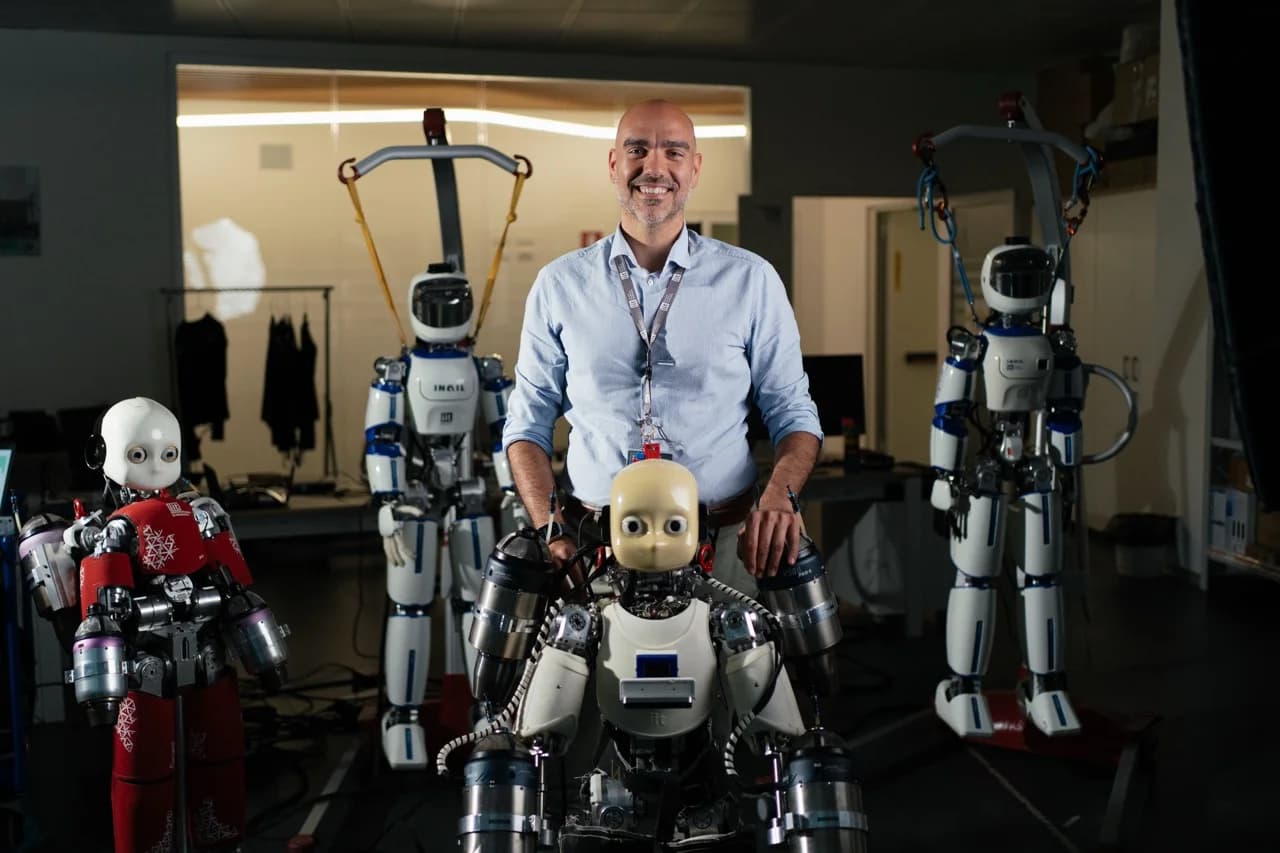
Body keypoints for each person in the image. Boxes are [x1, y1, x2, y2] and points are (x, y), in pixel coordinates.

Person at [502, 99, 821, 595]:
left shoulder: (751, 280)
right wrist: (551, 525)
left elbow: (794, 411)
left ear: (694, 169)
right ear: (614, 165)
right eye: (637, 150)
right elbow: (526, 423)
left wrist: (781, 496)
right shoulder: (559, 285)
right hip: (595, 549)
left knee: (747, 674)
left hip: (723, 545)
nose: (654, 168)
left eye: (674, 152)